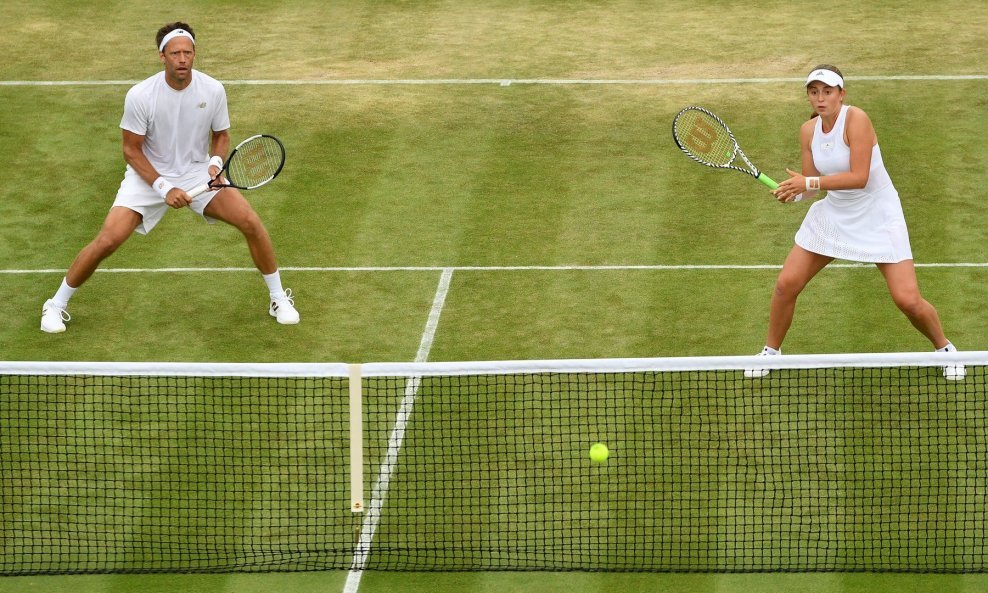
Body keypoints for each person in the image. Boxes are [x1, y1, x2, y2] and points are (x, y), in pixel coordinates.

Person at [40, 22, 299, 333]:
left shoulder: (213, 90)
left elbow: (221, 135)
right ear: (161, 56)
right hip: (149, 174)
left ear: (194, 54)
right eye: (175, 53)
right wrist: (164, 187)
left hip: (197, 171)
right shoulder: (140, 95)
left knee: (251, 223)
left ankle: (277, 298)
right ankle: (55, 304)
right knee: (108, 240)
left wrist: (215, 164)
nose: (182, 59)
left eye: (187, 52)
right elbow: (131, 151)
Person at [745, 64, 962, 379]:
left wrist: (809, 185)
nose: (820, 99)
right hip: (836, 212)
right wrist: (793, 192)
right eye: (814, 92)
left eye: (827, 92)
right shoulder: (808, 131)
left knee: (908, 300)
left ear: (841, 94)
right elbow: (812, 182)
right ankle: (770, 354)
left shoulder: (857, 119)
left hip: (877, 211)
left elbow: (859, 178)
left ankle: (946, 350)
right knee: (785, 285)